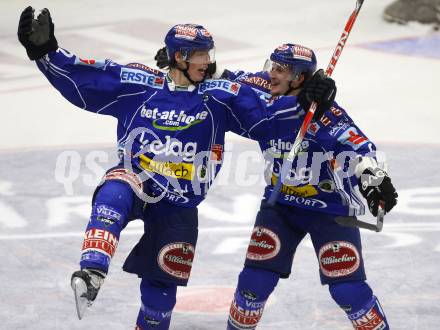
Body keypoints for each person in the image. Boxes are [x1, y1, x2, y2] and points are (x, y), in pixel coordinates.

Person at [17, 7, 336, 329]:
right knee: (114, 193)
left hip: (180, 201)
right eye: (200, 54)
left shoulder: (220, 95)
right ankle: (93, 270)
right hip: (136, 178)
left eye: (209, 53)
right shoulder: (140, 83)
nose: (208, 61)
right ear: (180, 56)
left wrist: (307, 101)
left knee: (161, 292)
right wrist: (46, 53)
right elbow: (89, 78)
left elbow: (265, 113)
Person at [224, 44, 398, 329]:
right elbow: (228, 80)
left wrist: (373, 179)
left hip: (330, 211)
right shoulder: (264, 90)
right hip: (280, 207)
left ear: (300, 78)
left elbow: (360, 148)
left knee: (348, 291)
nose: (272, 75)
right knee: (252, 284)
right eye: (272, 66)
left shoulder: (325, 113)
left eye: (281, 70)